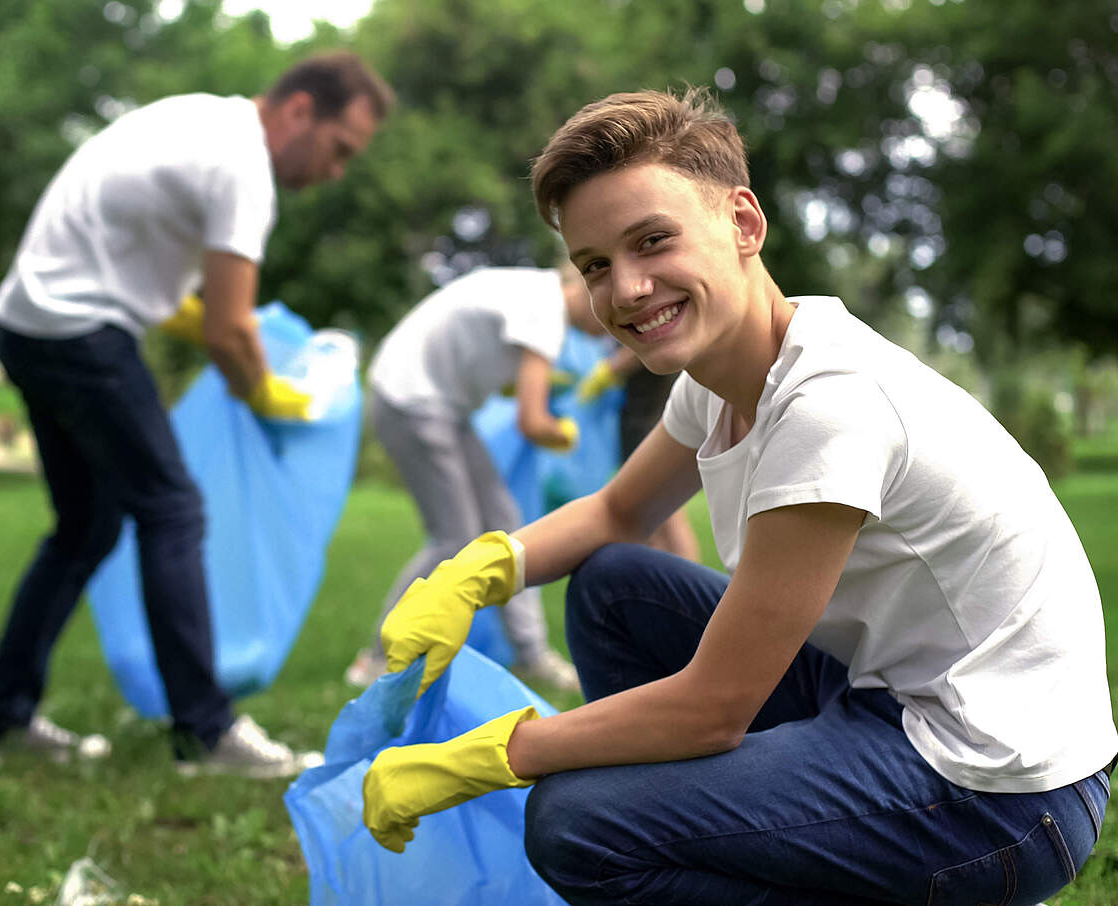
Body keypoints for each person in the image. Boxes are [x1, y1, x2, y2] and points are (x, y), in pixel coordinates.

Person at [359, 88, 1117, 904]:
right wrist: (478, 573)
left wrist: (493, 753)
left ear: (744, 225)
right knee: (617, 588)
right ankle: (702, 822)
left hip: (996, 793)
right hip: (884, 696)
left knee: (577, 823)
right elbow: (619, 512)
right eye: (597, 267)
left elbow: (715, 708)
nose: (627, 289)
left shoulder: (830, 404)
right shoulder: (725, 376)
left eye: (653, 241)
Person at [0, 52, 393, 777]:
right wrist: (267, 395)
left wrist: (235, 352)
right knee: (172, 509)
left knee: (87, 528)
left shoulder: (202, 119)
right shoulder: (243, 168)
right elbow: (228, 329)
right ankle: (206, 731)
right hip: (79, 330)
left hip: (28, 325)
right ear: (298, 113)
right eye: (339, 149)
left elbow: (175, 301)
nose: (335, 171)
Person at [344, 265, 600, 693]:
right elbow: (533, 422)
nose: (609, 332)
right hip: (412, 399)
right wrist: (565, 432)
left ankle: (531, 654)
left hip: (437, 402)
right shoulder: (546, 310)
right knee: (454, 538)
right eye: (609, 319)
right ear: (589, 288)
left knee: (509, 529)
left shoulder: (533, 288)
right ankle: (377, 659)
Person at [577, 345, 700, 561]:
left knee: (667, 512)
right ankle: (667, 581)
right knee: (650, 517)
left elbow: (648, 340)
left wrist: (610, 369)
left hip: (650, 414)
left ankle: (687, 581)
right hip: (638, 414)